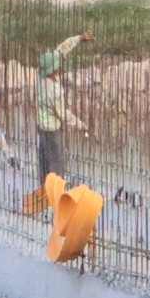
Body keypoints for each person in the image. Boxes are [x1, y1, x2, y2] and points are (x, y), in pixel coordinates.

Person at [33, 31, 91, 184]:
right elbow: (62, 113)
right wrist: (81, 124)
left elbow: (61, 49)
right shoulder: (52, 89)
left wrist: (79, 39)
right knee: (57, 161)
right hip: (51, 129)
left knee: (44, 158)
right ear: (53, 70)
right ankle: (55, 192)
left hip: (41, 125)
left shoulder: (41, 77)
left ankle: (44, 188)